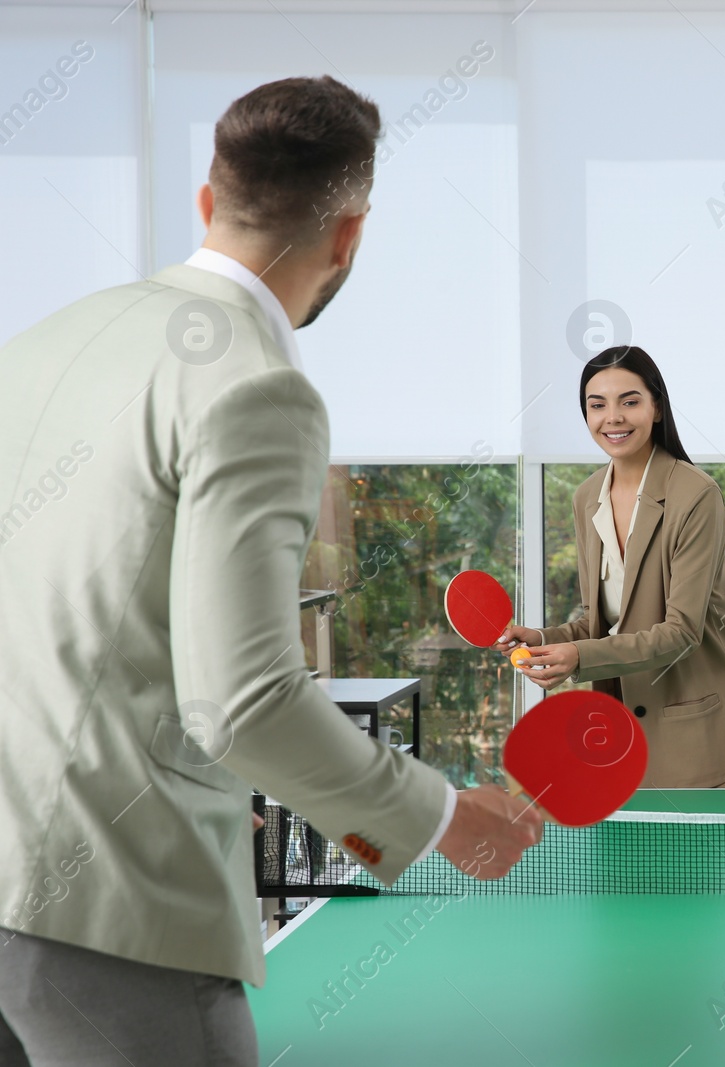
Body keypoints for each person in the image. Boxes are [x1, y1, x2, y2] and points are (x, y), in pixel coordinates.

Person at [0, 77, 541, 1066]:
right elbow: (243, 702)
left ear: (208, 204)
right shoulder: (258, 389)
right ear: (350, 236)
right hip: (109, 907)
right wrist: (446, 818)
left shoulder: (37, 346)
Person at [497, 346, 725, 788]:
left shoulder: (697, 496)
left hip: (704, 742)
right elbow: (601, 620)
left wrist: (578, 658)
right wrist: (545, 640)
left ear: (656, 407)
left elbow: (681, 631)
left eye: (629, 401)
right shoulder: (587, 498)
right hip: (621, 738)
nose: (613, 418)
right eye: (597, 405)